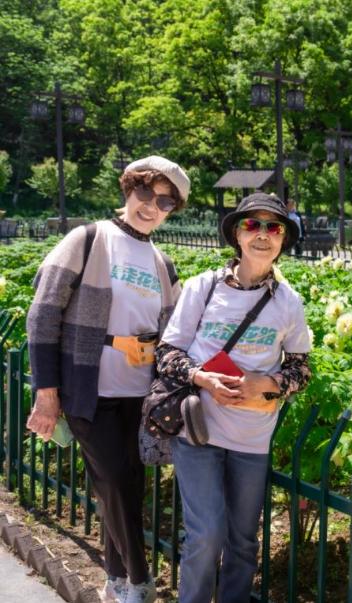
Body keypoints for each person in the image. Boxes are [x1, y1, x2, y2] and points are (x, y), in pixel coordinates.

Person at [25, 156, 190, 603]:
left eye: (165, 202)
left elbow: (174, 332)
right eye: (145, 193)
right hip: (89, 388)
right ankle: (140, 580)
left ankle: (115, 580)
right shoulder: (88, 239)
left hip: (142, 393)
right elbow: (43, 315)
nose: (151, 207)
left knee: (126, 488)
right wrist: (46, 393)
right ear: (128, 189)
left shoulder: (162, 263)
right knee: (115, 480)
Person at [155, 192, 311, 603]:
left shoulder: (288, 302)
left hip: (252, 438)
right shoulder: (203, 288)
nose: (263, 235)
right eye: (252, 225)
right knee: (206, 533)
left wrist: (265, 382)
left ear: (283, 239)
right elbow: (167, 353)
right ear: (237, 235)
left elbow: (301, 370)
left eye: (273, 227)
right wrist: (202, 378)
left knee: (243, 540)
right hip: (198, 432)